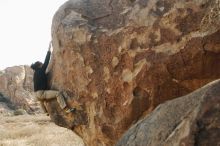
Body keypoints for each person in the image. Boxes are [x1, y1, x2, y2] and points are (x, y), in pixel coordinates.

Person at [31, 41, 74, 114]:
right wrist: (49, 48)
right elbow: (46, 61)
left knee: (41, 100)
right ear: (39, 66)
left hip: (36, 95)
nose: (42, 64)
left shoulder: (35, 73)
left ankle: (45, 112)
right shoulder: (41, 70)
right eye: (41, 64)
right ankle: (66, 109)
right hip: (42, 93)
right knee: (58, 94)